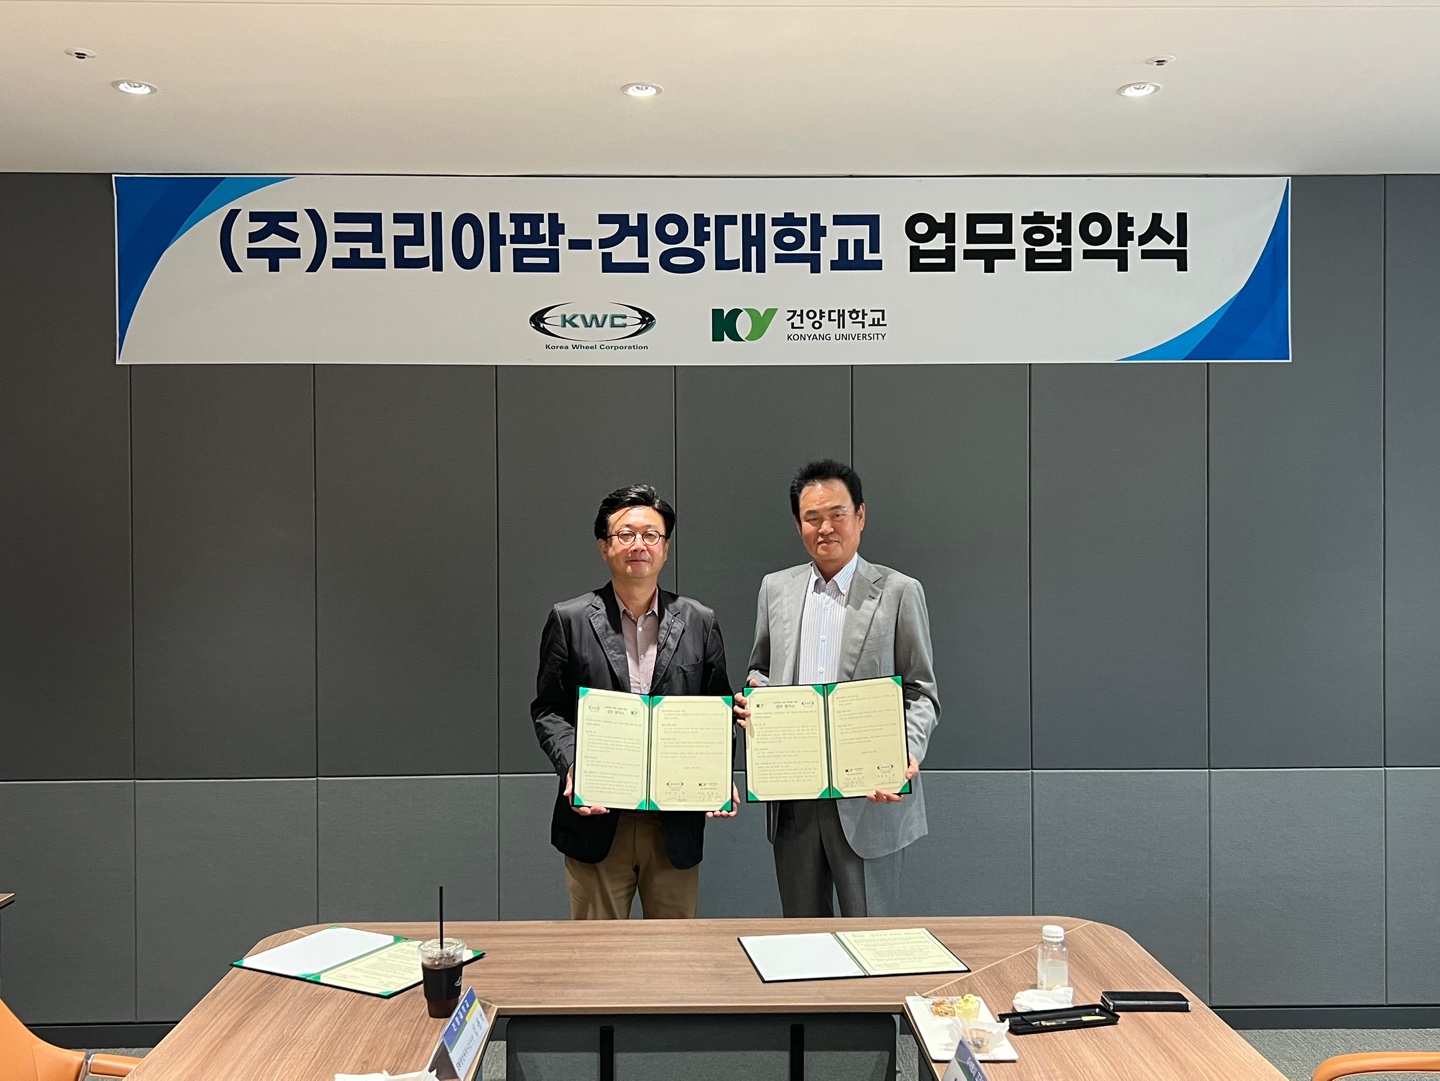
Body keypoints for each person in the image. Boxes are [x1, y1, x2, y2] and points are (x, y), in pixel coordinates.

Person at [735, 460, 939, 917]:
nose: (825, 527)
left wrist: (905, 752)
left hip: (870, 796)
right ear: (798, 525)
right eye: (812, 517)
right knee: (802, 935)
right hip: (794, 795)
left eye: (837, 514)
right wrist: (757, 697)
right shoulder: (775, 589)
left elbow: (921, 691)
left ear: (860, 516)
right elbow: (760, 668)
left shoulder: (900, 591)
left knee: (870, 938)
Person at [532, 483, 736, 920]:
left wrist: (718, 773)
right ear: (604, 546)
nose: (638, 545)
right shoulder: (569, 619)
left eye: (650, 535)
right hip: (597, 818)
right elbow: (548, 709)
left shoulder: (699, 621)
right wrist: (574, 764)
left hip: (674, 821)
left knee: (672, 951)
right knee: (597, 951)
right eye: (625, 535)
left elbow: (717, 710)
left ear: (665, 547)